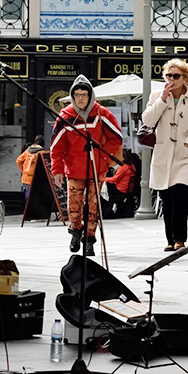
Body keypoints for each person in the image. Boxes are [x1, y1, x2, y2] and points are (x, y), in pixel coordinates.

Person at [51, 75, 123, 256]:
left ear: (90, 95)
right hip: (74, 169)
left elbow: (116, 138)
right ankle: (75, 232)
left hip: (96, 168)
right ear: (72, 96)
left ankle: (89, 239)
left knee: (93, 207)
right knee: (73, 206)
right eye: (77, 94)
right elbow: (56, 146)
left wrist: (105, 158)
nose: (80, 98)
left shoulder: (101, 113)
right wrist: (57, 170)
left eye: (84, 94)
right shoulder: (65, 116)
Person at [142, 59, 188, 251]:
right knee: (166, 197)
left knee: (180, 194)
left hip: (185, 154)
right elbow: (147, 120)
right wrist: (162, 99)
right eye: (168, 75)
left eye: (176, 76)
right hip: (163, 153)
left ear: (185, 78)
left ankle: (180, 238)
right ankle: (170, 240)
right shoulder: (157, 95)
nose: (171, 79)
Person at [103, 148, 137, 219]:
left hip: (121, 188)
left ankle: (108, 211)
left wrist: (104, 179)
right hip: (127, 188)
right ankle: (115, 211)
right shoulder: (131, 166)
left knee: (106, 193)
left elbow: (115, 179)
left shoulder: (123, 167)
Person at [16, 135, 45, 210]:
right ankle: (36, 212)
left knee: (28, 197)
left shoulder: (28, 151)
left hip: (26, 178)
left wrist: (24, 170)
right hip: (37, 179)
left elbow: (18, 161)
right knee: (38, 196)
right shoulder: (42, 152)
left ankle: (28, 212)